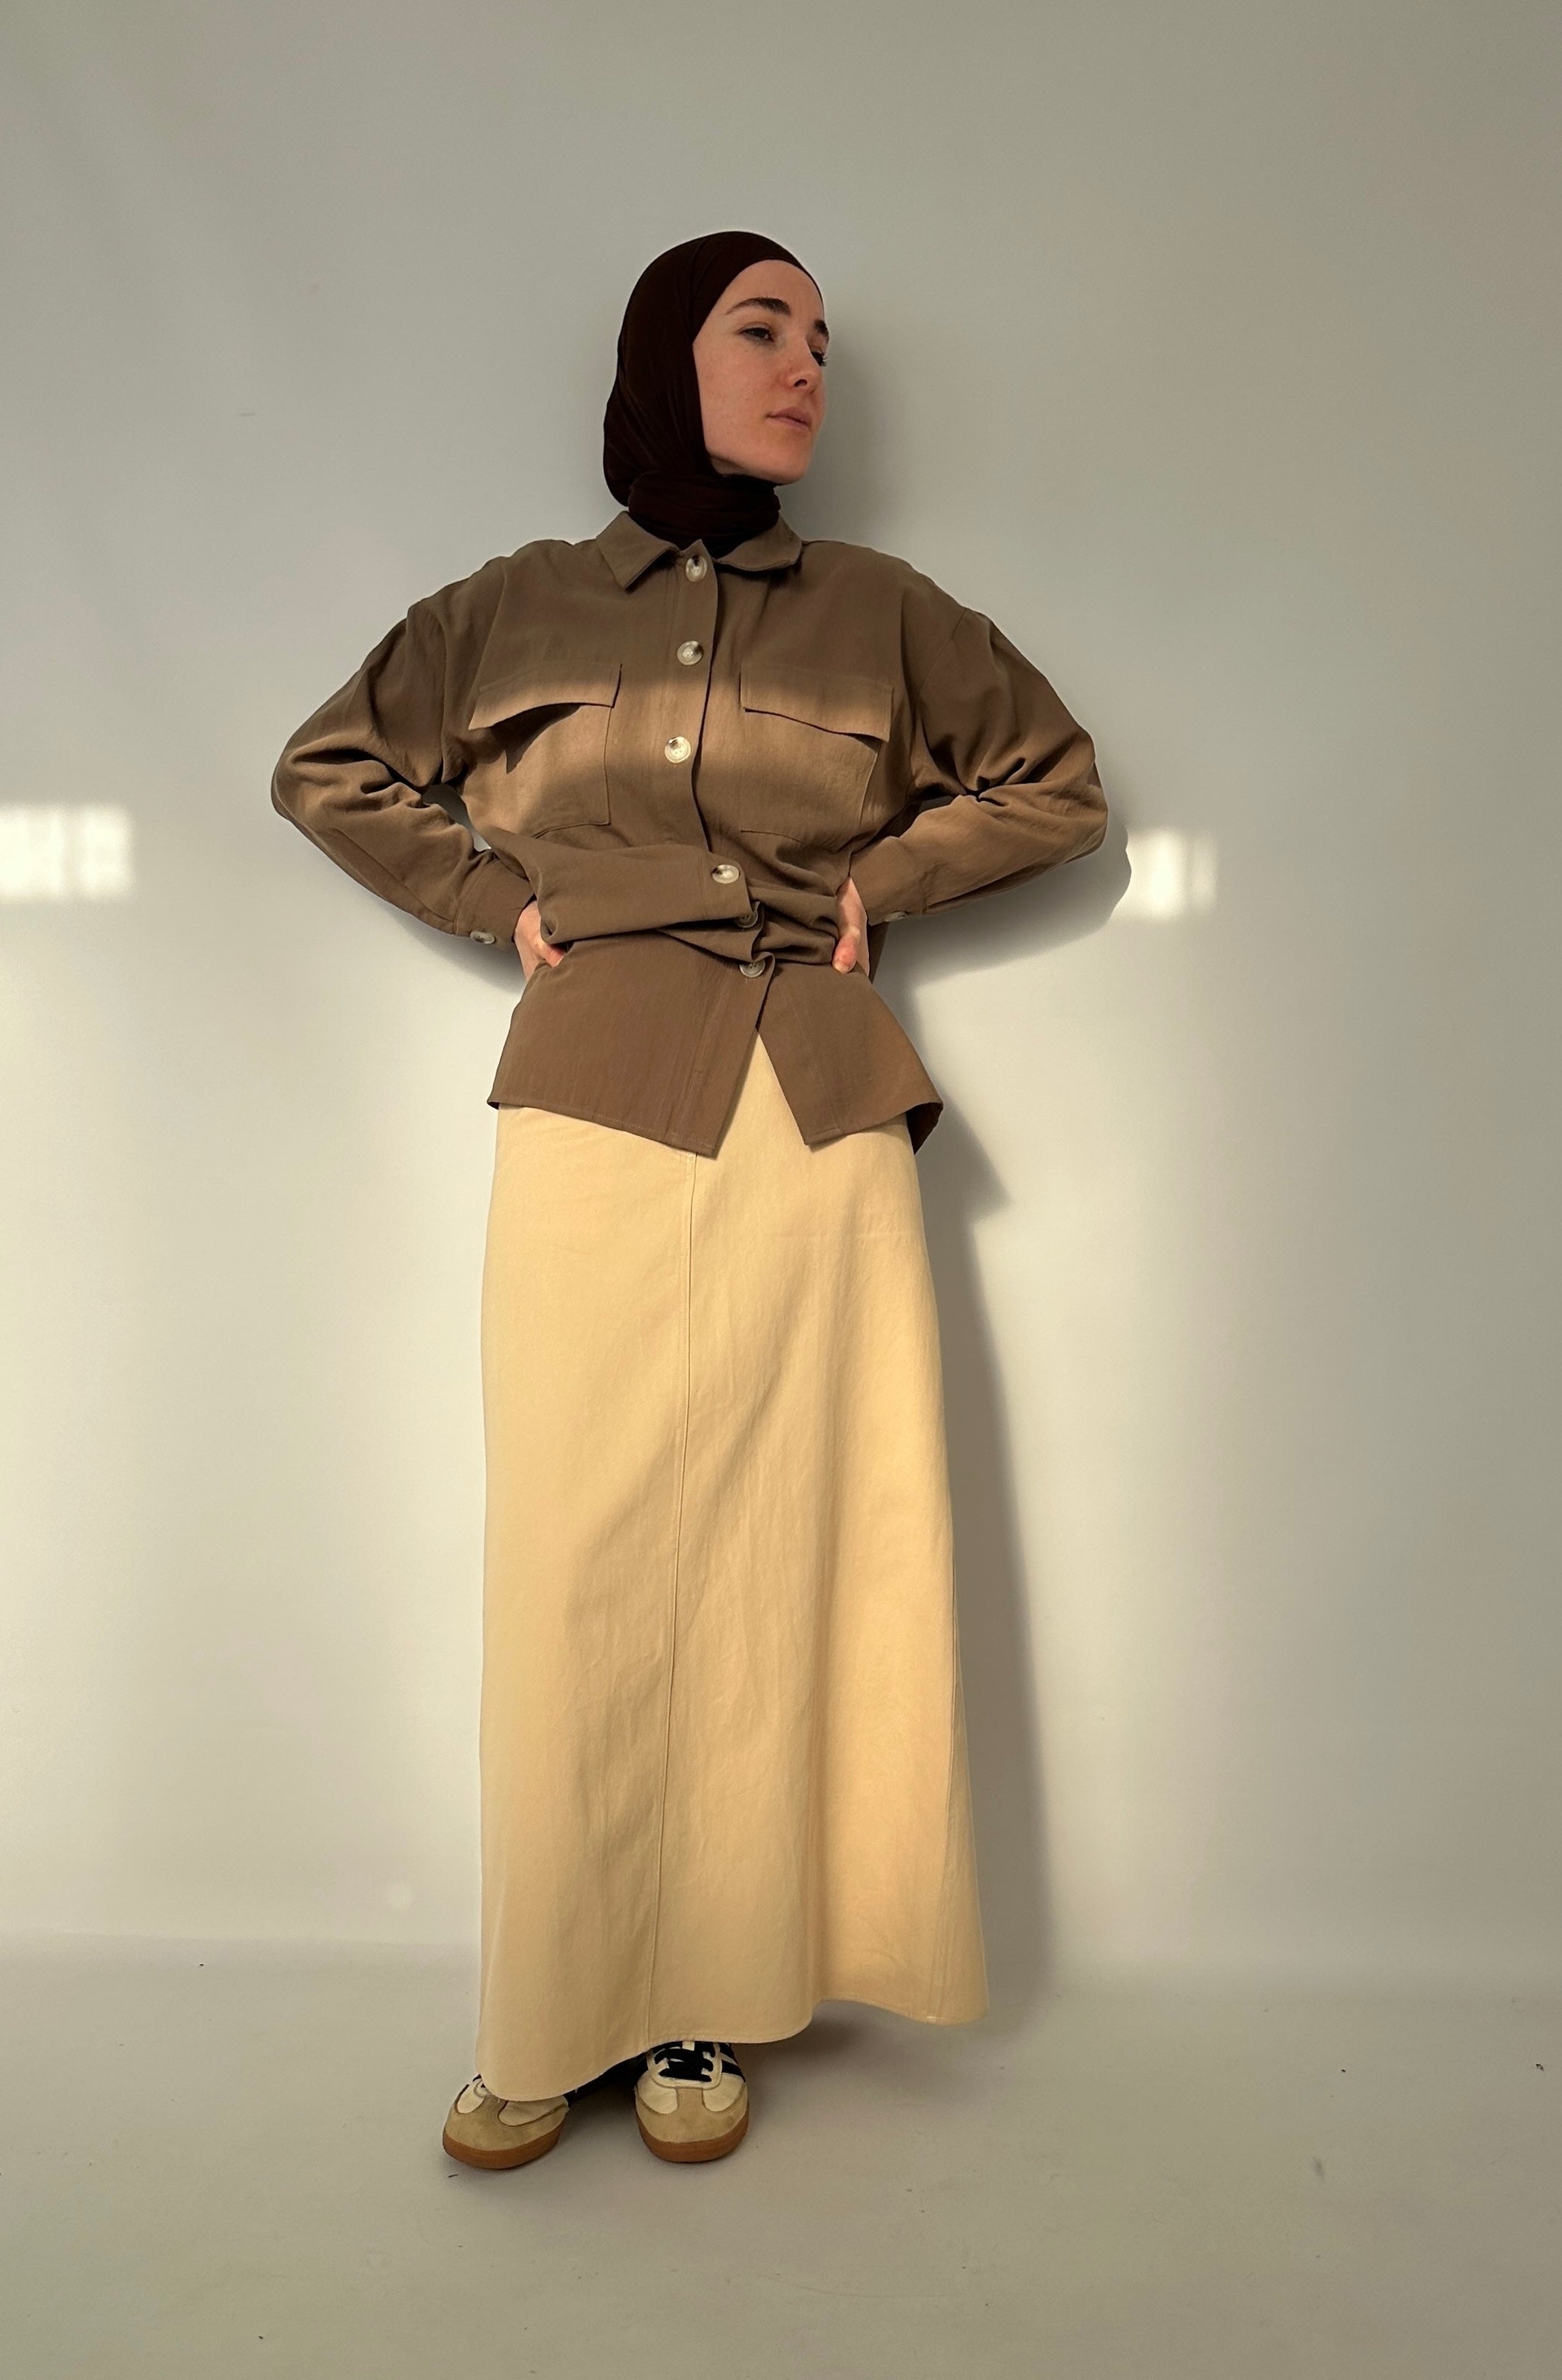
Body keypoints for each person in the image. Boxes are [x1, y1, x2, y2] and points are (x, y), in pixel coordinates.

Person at [271, 231, 1108, 2170]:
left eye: (820, 340)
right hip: (596, 1085)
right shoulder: (515, 609)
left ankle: (705, 2002)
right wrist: (501, 901)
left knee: (776, 1545)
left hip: (815, 1101)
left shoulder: (885, 615)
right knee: (575, 1541)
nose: (805, 365)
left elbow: (1055, 785)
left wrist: (877, 888)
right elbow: (332, 766)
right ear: (669, 355)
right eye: (762, 328)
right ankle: (547, 2008)